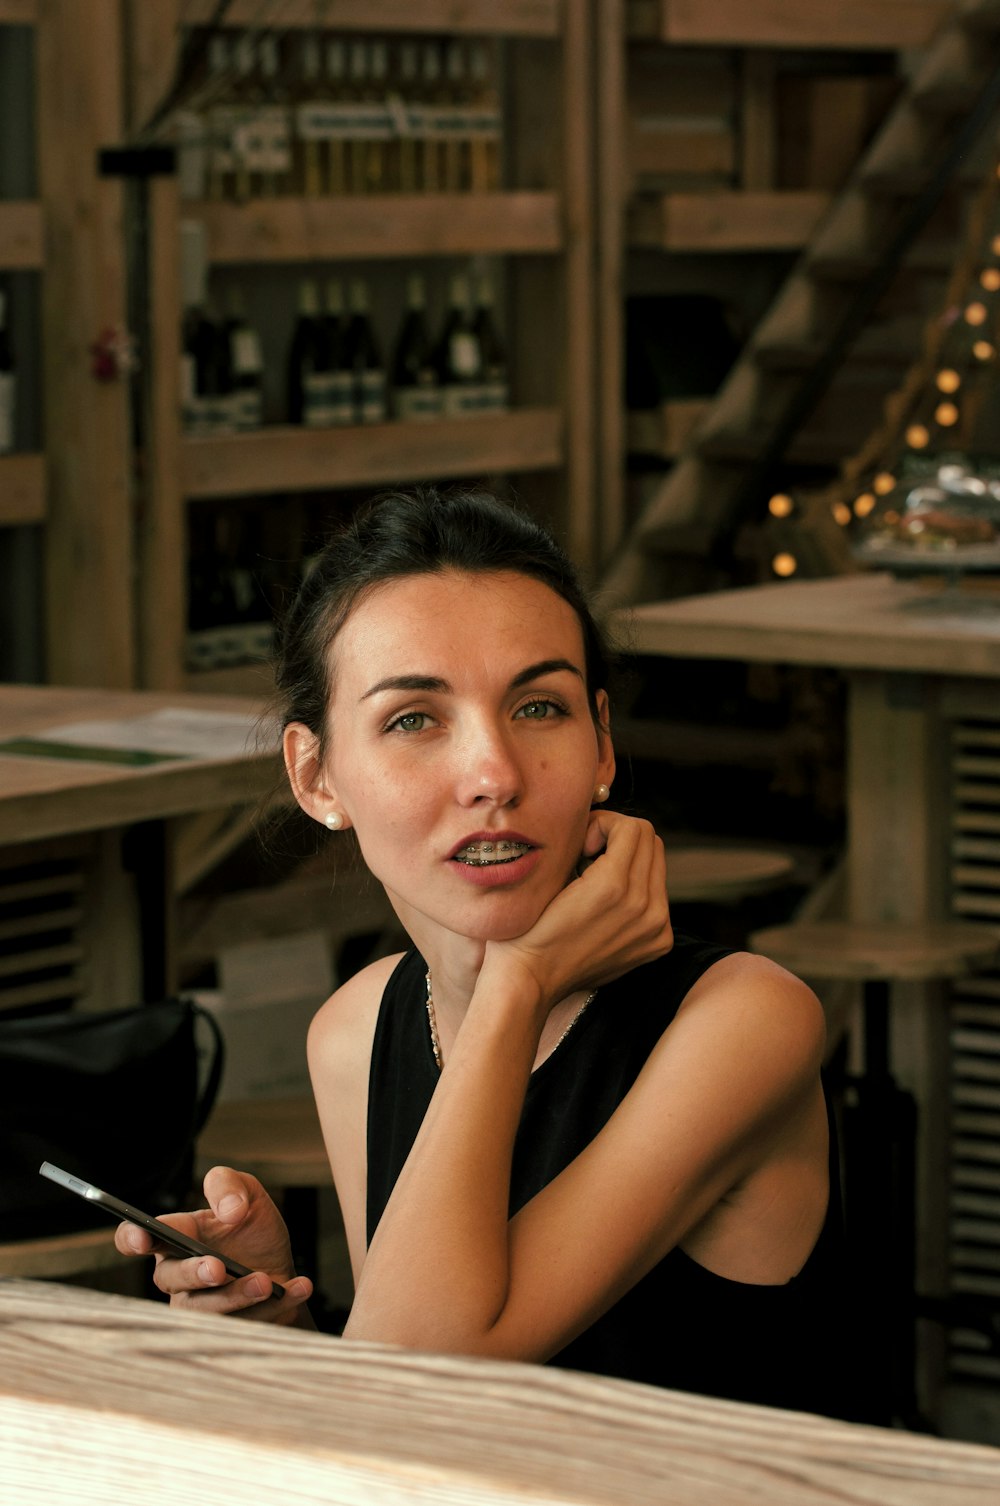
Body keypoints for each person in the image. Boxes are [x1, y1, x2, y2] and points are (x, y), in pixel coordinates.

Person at [116, 486, 847, 1416]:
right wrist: (279, 1328)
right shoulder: (357, 1030)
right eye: (414, 718)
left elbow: (418, 1383)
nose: (495, 775)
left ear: (604, 745)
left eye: (540, 707)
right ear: (316, 775)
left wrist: (523, 979)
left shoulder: (742, 1019)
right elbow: (406, 1389)